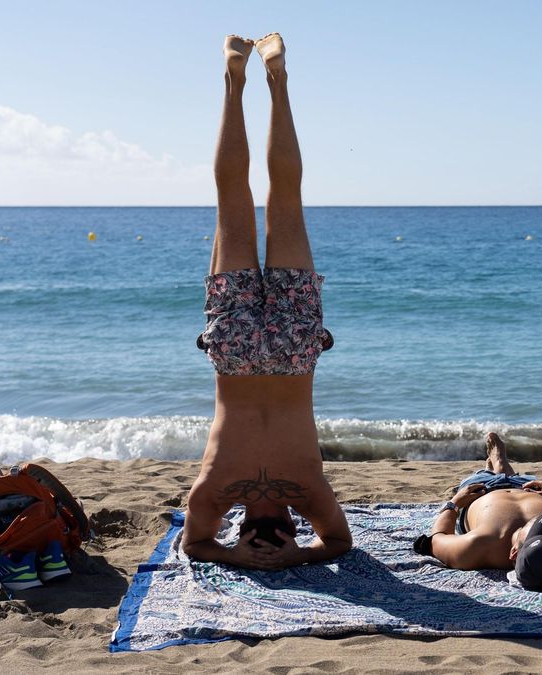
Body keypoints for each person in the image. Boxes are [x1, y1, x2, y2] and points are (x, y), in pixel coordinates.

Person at [181, 34, 351, 569]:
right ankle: (235, 83)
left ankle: (275, 83)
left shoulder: (308, 491)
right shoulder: (217, 490)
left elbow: (338, 543)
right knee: (232, 200)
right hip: (234, 352)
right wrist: (241, 557)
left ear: (291, 527)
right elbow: (198, 544)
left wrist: (293, 557)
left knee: (286, 196)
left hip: (294, 350)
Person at [415, 432, 542, 591]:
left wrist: (454, 503)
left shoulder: (477, 547)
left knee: (484, 475)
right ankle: (501, 464)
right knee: (508, 472)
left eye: (538, 529)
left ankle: (494, 465)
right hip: (529, 488)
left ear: (514, 552)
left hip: (481, 491)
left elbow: (437, 538)